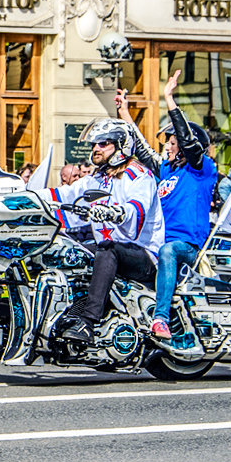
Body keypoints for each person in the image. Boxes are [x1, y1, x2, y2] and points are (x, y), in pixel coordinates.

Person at [117, 70, 218, 358]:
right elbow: (141, 148)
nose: (167, 147)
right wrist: (125, 113)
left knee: (169, 251)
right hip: (157, 244)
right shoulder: (167, 169)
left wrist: (169, 99)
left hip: (187, 247)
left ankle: (161, 318)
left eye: (172, 143)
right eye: (168, 143)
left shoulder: (201, 168)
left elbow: (187, 140)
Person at [37, 119, 164, 346]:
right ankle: (63, 317)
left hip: (144, 254)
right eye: (94, 144)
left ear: (121, 145)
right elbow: (65, 195)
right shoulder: (99, 178)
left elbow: (137, 209)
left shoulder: (139, 175)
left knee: (107, 248)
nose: (95, 148)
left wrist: (116, 212)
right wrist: (26, 197)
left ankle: (88, 322)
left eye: (103, 143)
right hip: (112, 247)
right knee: (67, 253)